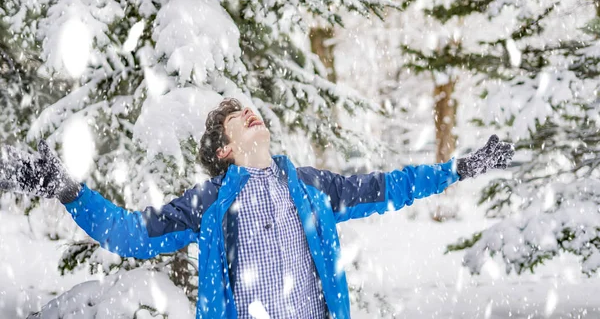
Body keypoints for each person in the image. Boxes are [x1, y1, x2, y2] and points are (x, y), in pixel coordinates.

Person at [0, 98, 514, 319]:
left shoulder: (313, 189)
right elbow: (130, 235)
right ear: (223, 150)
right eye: (231, 117)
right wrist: (66, 189)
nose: (245, 111)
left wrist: (461, 168)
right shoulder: (210, 206)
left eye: (244, 108)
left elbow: (391, 186)